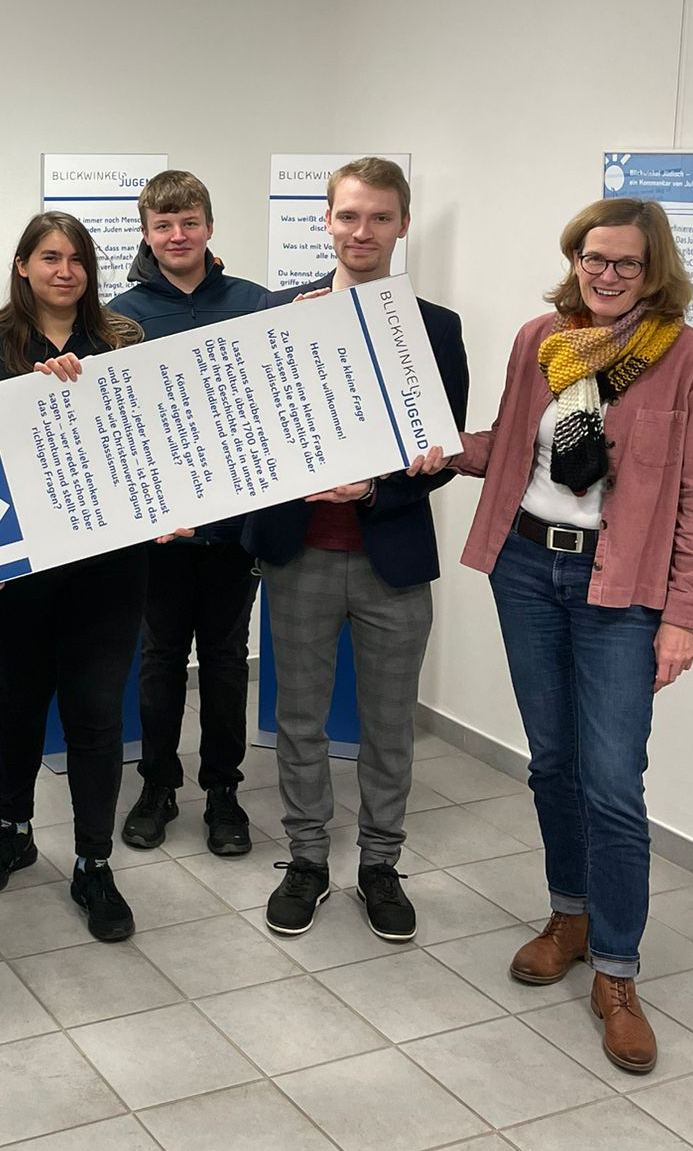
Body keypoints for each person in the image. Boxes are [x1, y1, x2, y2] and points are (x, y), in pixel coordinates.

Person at [411, 196, 693, 1074]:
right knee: (551, 762)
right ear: (575, 258)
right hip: (526, 570)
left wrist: (684, 616)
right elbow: (513, 446)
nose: (607, 274)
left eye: (626, 262)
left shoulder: (691, 359)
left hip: (620, 588)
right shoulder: (540, 340)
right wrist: (438, 446)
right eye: (594, 258)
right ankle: (570, 915)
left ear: (654, 269)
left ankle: (618, 972)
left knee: (613, 782)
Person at [244, 157, 468, 943]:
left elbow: (443, 455)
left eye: (378, 216)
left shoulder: (436, 328)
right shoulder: (279, 314)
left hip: (391, 560)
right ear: (327, 220)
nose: (361, 230)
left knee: (389, 725)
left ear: (402, 224)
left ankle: (379, 865)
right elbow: (248, 434)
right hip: (298, 552)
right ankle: (307, 860)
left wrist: (375, 491)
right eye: (348, 215)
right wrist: (284, 346)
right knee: (299, 719)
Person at [0, 212, 150, 941]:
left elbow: (145, 434)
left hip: (110, 563)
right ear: (23, 266)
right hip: (20, 563)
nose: (64, 271)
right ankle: (13, 828)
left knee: (96, 711)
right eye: (49, 257)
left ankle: (93, 862)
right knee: (20, 697)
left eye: (77, 258)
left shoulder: (124, 338)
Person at [107, 170, 268, 857]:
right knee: (160, 658)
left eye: (189, 222)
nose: (178, 235)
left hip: (235, 528)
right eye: (163, 225)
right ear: (146, 233)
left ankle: (224, 790)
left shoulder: (256, 303)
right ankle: (157, 785)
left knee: (228, 660)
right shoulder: (118, 317)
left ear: (209, 226)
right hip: (158, 533)